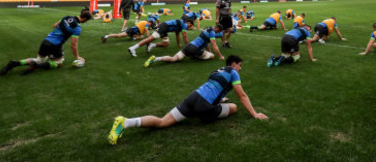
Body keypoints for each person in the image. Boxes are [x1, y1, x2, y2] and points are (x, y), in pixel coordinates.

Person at [108, 55, 267, 145]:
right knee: (234, 107)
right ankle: (210, 112)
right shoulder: (233, 73)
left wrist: (219, 99)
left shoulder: (215, 71)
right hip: (204, 107)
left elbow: (213, 88)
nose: (240, 68)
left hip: (193, 97)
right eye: (240, 65)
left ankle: (126, 122)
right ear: (234, 64)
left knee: (163, 122)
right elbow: (242, 96)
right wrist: (254, 113)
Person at [0, 9, 93, 76]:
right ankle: (38, 66)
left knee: (39, 59)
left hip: (46, 41)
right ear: (84, 19)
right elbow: (73, 45)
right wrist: (77, 57)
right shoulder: (77, 28)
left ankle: (14, 63)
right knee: (59, 63)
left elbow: (55, 25)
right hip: (55, 45)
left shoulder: (67, 17)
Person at [144, 24, 225, 67]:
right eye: (218, 32)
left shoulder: (208, 28)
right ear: (217, 29)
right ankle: (195, 56)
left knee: (174, 59)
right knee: (212, 56)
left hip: (188, 46)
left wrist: (208, 50)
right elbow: (214, 46)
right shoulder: (212, 32)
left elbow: (206, 42)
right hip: (194, 49)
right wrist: (220, 56)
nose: (217, 33)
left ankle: (156, 59)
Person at [127, 17, 194, 57]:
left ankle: (151, 45)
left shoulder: (181, 25)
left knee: (166, 44)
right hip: (164, 27)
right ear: (189, 23)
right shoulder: (184, 24)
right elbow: (185, 36)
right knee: (150, 38)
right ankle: (133, 48)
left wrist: (178, 44)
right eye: (190, 26)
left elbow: (177, 35)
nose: (189, 28)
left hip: (165, 29)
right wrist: (188, 47)